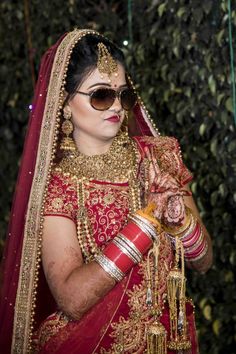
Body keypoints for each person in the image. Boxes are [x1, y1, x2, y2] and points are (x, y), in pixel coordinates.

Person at [0, 29, 212, 354]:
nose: (116, 106)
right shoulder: (58, 187)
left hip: (170, 341)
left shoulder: (159, 157)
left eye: (124, 95)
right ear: (65, 104)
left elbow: (203, 262)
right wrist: (146, 222)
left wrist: (180, 223)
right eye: (101, 95)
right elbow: (72, 300)